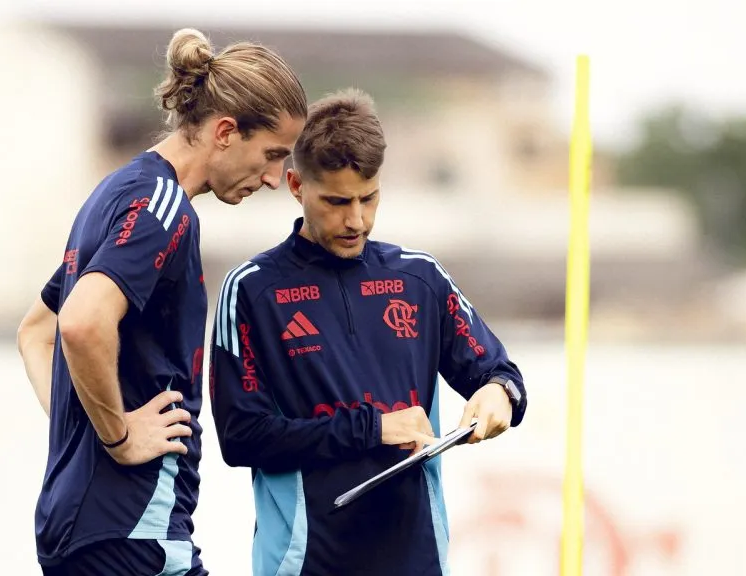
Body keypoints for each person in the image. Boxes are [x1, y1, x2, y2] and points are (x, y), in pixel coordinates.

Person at [15, 28, 307, 576]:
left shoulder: (118, 191)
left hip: (90, 525)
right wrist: (117, 435)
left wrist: (85, 425)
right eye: (271, 155)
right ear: (225, 131)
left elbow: (37, 330)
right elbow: (77, 324)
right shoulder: (162, 209)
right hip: (131, 529)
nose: (273, 178)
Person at [208, 88, 527, 576]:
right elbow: (241, 437)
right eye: (336, 201)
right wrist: (375, 428)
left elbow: (500, 372)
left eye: (368, 198)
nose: (356, 220)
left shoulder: (420, 279)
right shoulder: (251, 291)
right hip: (305, 564)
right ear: (296, 184)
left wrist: (498, 394)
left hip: (417, 561)